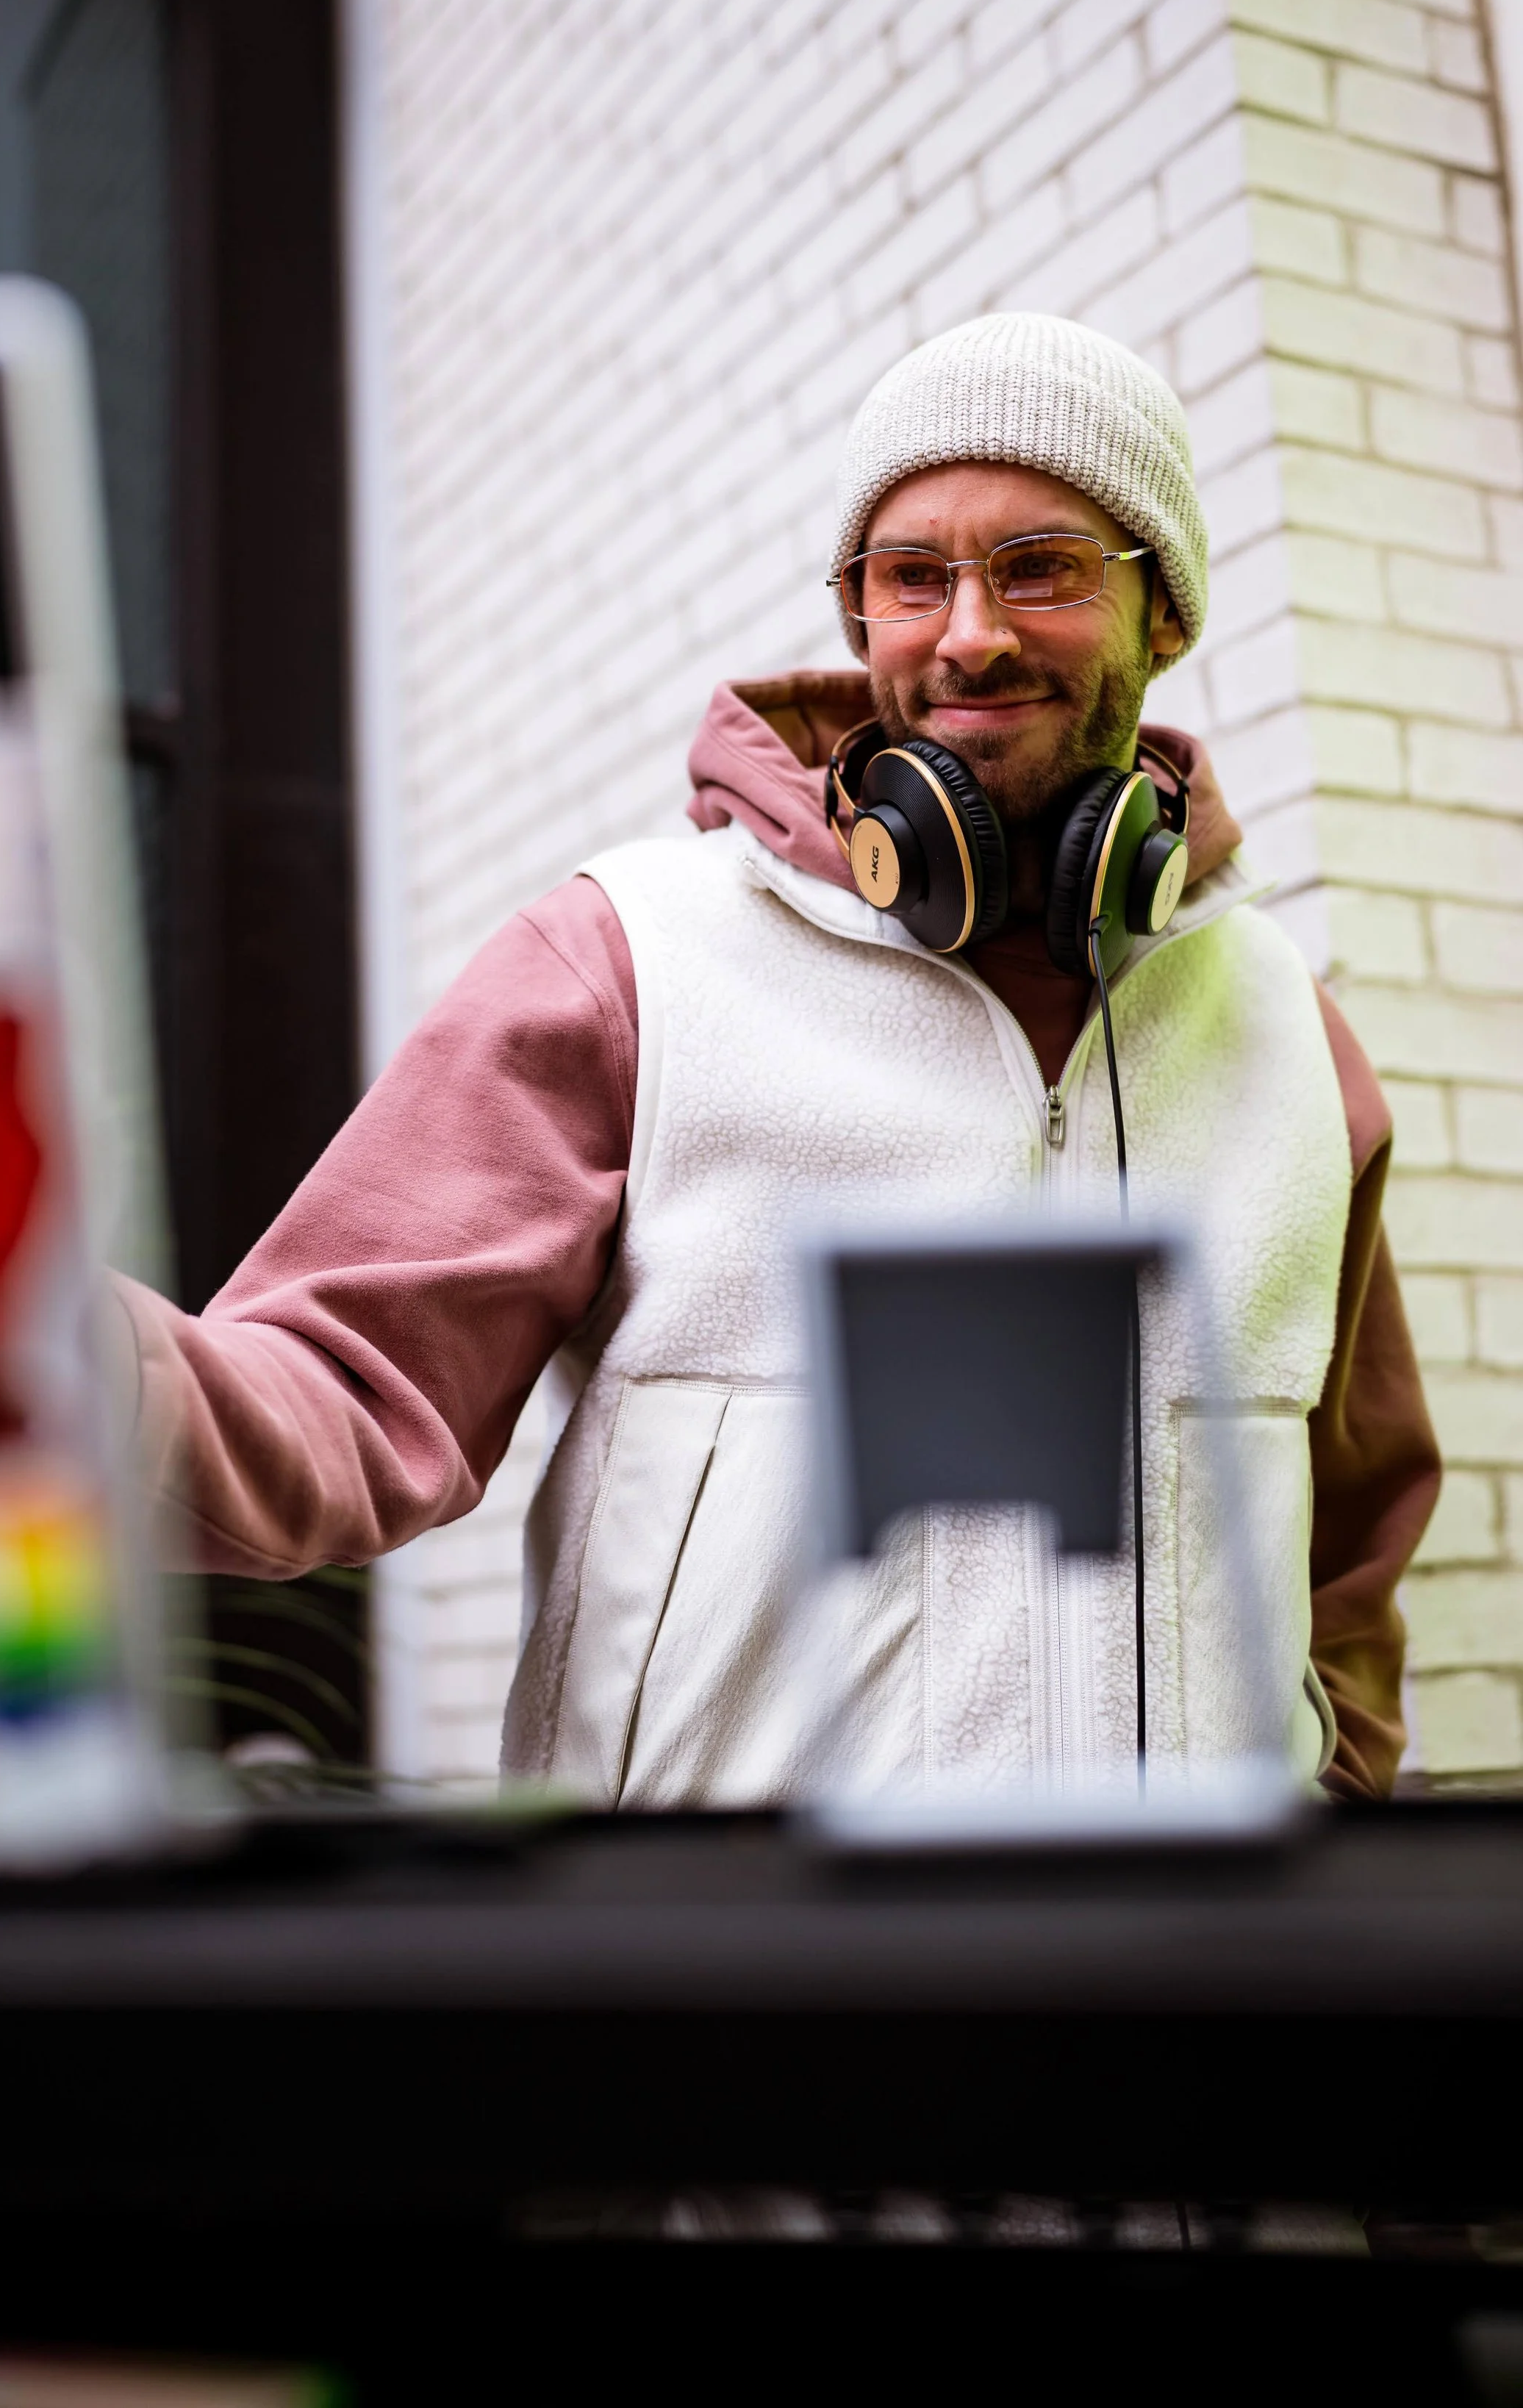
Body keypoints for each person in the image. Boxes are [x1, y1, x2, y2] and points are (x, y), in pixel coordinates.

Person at [111, 313, 1439, 1802]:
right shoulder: (628, 958)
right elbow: (336, 1393)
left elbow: (1350, 1540)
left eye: (1041, 566)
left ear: (1165, 616)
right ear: (858, 614)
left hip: (1188, 1982)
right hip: (732, 1983)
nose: (967, 631)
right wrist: (36, 1345)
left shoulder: (1283, 1030)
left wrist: (1333, 1809)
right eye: (908, 575)